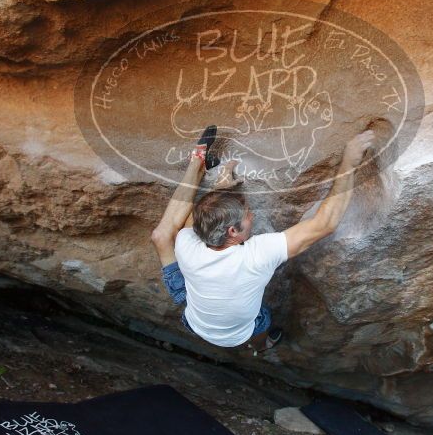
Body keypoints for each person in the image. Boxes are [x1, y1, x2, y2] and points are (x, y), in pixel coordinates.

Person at [150, 126, 375, 353]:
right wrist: (348, 163)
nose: (252, 215)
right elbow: (325, 224)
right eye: (248, 215)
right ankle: (261, 346)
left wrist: (219, 194)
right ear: (232, 232)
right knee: (260, 323)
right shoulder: (256, 256)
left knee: (163, 236)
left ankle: (196, 162)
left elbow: (190, 221)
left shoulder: (187, 245)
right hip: (235, 333)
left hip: (196, 318)